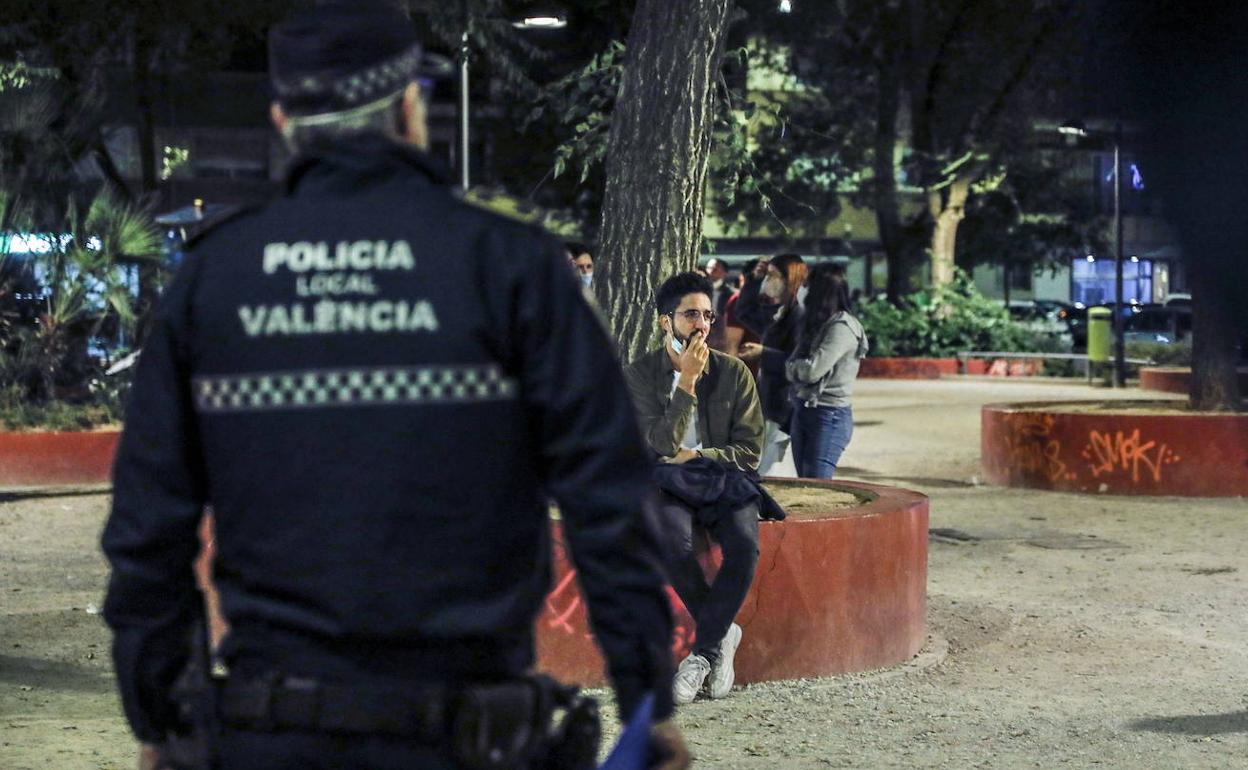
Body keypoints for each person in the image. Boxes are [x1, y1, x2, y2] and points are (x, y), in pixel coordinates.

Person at [100, 4, 689, 769]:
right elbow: (607, 500)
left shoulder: (212, 282)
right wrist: (648, 703)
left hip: (268, 735)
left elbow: (148, 529)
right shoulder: (512, 267)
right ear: (411, 107)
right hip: (472, 739)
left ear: (285, 121)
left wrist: (158, 718)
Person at [623, 272, 766, 705]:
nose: (702, 324)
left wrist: (700, 456)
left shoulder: (735, 372)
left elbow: (750, 450)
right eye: (690, 315)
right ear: (666, 322)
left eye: (707, 315)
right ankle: (722, 634)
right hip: (666, 482)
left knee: (744, 545)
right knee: (669, 542)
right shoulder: (640, 376)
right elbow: (661, 446)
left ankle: (703, 652)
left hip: (723, 478)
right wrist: (685, 381)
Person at [785, 264, 869, 479]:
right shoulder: (817, 324)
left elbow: (812, 371)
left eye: (808, 285)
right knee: (804, 482)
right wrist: (796, 367)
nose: (803, 289)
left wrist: (793, 369)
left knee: (817, 485)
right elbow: (796, 363)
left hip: (828, 416)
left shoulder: (842, 327)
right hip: (804, 408)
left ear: (820, 291)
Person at [734, 253, 807, 476]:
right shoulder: (779, 311)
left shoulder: (798, 315)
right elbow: (745, 313)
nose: (769, 281)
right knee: (757, 467)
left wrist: (763, 353)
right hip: (768, 403)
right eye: (768, 275)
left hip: (784, 406)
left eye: (774, 276)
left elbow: (798, 363)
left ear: (790, 279)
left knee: (767, 470)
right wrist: (753, 279)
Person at [702, 258, 735, 351]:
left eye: (715, 269)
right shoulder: (698, 289)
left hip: (721, 335)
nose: (711, 271)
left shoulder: (731, 293)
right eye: (709, 268)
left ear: (724, 273)